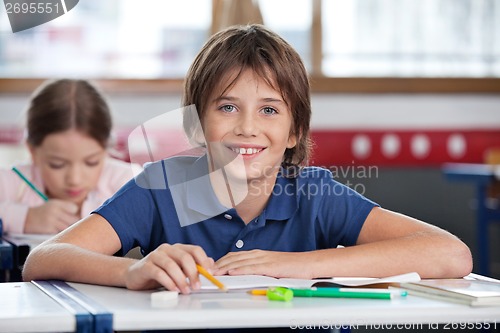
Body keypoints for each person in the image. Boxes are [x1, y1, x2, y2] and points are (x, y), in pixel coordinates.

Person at [23, 24, 472, 300]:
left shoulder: (314, 193)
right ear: (197, 125)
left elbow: (451, 255)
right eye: (227, 107)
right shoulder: (161, 187)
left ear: (295, 131)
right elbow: (43, 259)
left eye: (270, 110)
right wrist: (133, 270)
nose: (247, 128)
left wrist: (297, 264)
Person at [0, 79, 139, 234]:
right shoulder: (13, 182)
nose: (75, 179)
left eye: (91, 162)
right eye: (57, 164)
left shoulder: (127, 181)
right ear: (32, 151)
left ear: (106, 149)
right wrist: (24, 218)